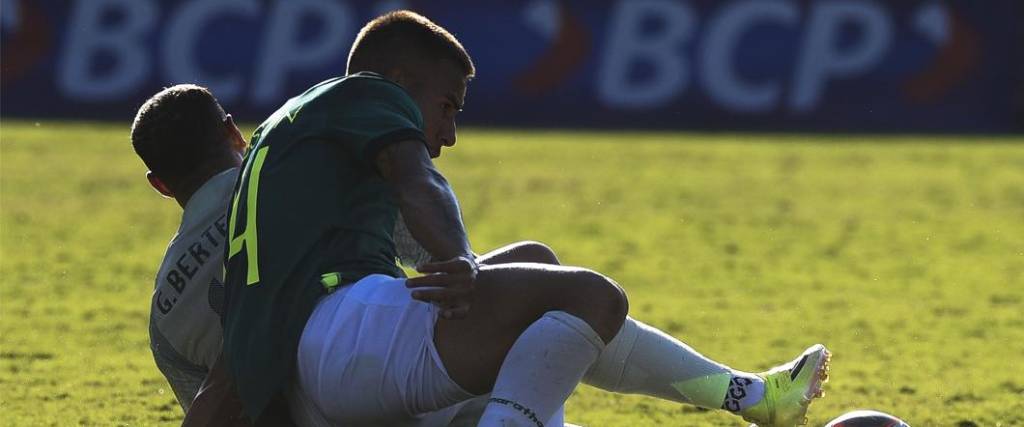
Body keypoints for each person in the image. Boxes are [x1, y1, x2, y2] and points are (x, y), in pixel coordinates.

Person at [223, 10, 831, 427]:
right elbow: (421, 183)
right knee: (593, 298)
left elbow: (403, 227)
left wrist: (468, 272)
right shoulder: (367, 93)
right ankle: (752, 397)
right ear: (400, 81)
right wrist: (460, 259)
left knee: (536, 264)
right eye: (446, 106)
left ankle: (749, 394)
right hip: (334, 340)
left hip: (302, 368)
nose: (449, 134)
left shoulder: (295, 128)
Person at [131, 84, 566, 426]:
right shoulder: (302, 177)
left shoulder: (164, 316)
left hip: (310, 410)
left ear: (160, 184)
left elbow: (216, 410)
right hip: (380, 376)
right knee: (534, 265)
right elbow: (435, 257)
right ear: (232, 131)